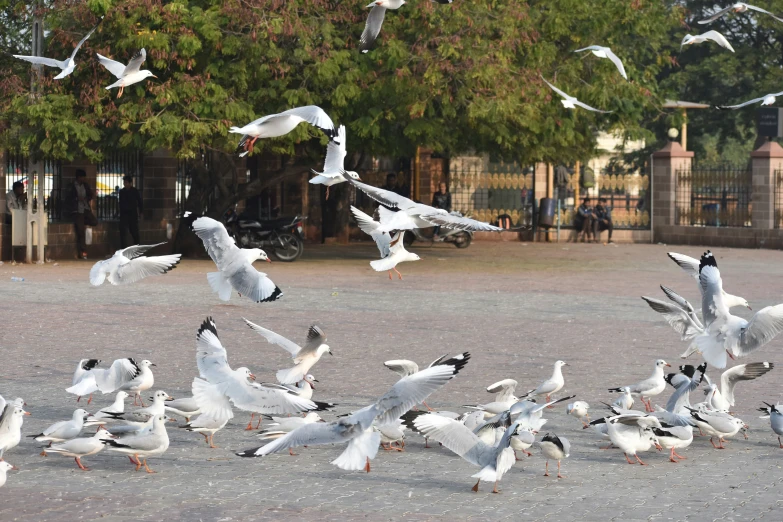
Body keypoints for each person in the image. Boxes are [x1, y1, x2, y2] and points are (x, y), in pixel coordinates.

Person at [69, 169, 95, 259]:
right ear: (78, 177)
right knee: (80, 233)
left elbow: (91, 195)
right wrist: (77, 199)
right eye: (82, 177)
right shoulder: (73, 186)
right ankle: (83, 252)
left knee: (94, 221)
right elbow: (69, 198)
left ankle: (83, 222)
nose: (83, 179)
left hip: (85, 209)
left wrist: (86, 199)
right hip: (78, 210)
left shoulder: (85, 185)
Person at [118, 175, 143, 247]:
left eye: (126, 182)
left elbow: (139, 202)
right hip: (124, 215)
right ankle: (123, 249)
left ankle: (136, 247)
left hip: (132, 214)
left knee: (134, 232)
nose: (125, 184)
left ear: (130, 183)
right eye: (124, 182)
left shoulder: (134, 191)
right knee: (123, 233)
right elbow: (120, 203)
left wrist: (141, 212)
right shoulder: (122, 192)